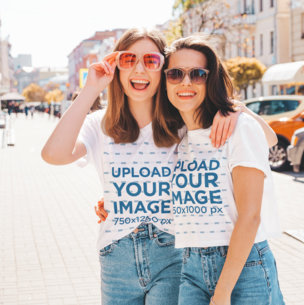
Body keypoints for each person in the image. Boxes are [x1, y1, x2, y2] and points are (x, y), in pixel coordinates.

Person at [41, 28, 241, 305]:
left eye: (150, 60)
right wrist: (91, 89)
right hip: (116, 254)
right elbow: (53, 154)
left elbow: (262, 141)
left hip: (172, 250)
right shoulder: (99, 124)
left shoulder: (186, 123)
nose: (139, 69)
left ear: (163, 69)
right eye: (128, 59)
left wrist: (235, 110)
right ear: (117, 68)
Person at [158, 35, 285, 305]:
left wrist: (223, 292)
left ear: (211, 78)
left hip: (244, 267)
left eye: (198, 74)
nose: (186, 82)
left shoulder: (239, 129)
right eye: (175, 74)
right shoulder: (174, 137)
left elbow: (250, 216)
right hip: (190, 266)